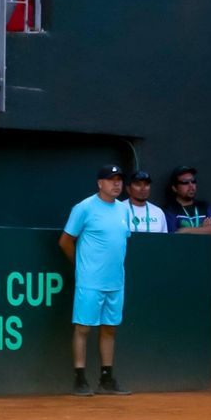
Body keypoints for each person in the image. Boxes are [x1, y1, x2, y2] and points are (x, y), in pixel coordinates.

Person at [59, 165, 132, 397]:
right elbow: (65, 241)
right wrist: (81, 268)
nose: (117, 184)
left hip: (116, 282)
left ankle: (106, 379)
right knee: (83, 328)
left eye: (119, 179)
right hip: (90, 281)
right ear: (100, 183)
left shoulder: (124, 210)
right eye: (111, 180)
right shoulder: (84, 208)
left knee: (109, 329)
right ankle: (79, 379)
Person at [162, 166, 211, 235]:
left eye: (193, 181)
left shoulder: (204, 206)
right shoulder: (170, 210)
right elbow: (176, 234)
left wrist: (186, 230)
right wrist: (203, 228)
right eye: (185, 182)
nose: (191, 186)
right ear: (174, 188)